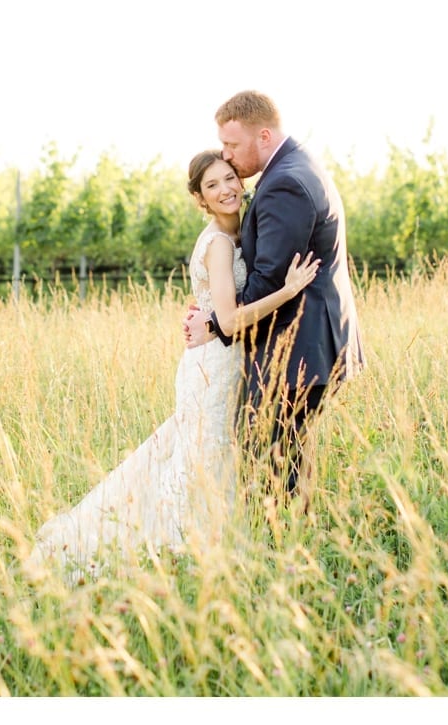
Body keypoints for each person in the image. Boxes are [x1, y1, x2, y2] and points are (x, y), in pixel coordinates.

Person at [28, 150, 319, 569]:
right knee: (206, 457)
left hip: (219, 358)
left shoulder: (237, 232)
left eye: (228, 179)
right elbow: (232, 320)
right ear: (200, 198)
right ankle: (182, 546)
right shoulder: (219, 244)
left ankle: (205, 544)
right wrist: (289, 291)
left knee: (200, 454)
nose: (225, 190)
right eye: (212, 186)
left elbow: (217, 305)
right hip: (214, 367)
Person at [183, 90, 366, 504]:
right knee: (282, 462)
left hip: (297, 349)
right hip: (301, 344)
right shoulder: (294, 166)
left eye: (232, 146)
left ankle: (284, 549)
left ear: (263, 136)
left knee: (272, 466)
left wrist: (214, 322)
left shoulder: (284, 182)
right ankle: (289, 544)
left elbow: (269, 278)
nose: (227, 157)